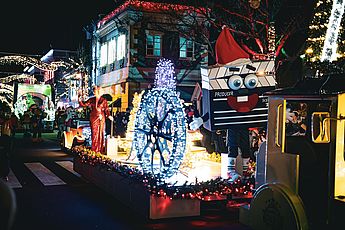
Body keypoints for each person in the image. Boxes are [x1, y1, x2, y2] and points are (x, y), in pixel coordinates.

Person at [78, 85, 113, 153]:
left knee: (101, 133)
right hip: (94, 118)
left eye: (97, 91)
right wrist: (79, 99)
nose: (95, 92)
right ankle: (94, 149)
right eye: (95, 91)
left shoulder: (103, 100)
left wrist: (109, 116)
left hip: (101, 117)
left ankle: (100, 149)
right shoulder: (92, 100)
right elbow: (84, 104)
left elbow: (106, 109)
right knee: (94, 133)